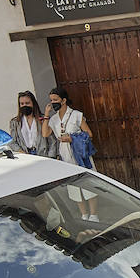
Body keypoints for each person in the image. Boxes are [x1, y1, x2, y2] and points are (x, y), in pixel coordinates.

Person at [42, 87, 99, 221]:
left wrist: (72, 138)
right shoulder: (54, 119)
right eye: (51, 100)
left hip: (79, 152)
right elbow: (45, 134)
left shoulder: (76, 115)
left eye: (55, 100)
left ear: (64, 100)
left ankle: (94, 214)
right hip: (65, 154)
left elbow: (89, 134)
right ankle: (84, 214)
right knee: (73, 185)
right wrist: (46, 114)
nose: (52, 102)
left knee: (87, 182)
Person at [9, 91, 53, 156]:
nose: (24, 105)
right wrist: (22, 153)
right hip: (25, 155)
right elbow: (12, 142)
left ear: (33, 103)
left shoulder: (43, 119)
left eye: (27, 103)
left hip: (43, 155)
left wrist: (51, 157)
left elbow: (52, 141)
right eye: (22, 104)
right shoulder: (15, 122)